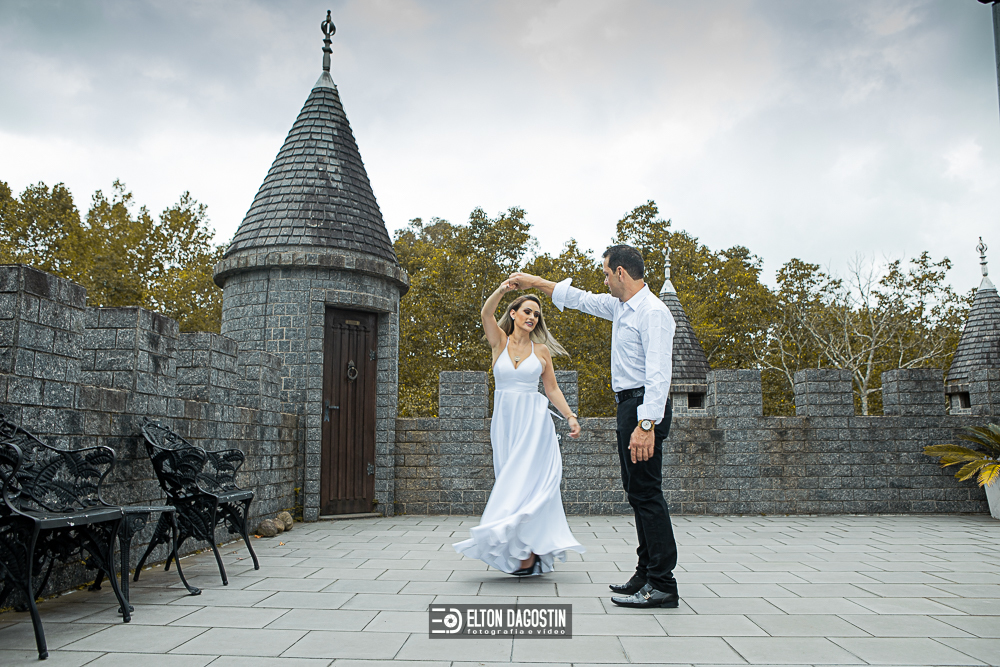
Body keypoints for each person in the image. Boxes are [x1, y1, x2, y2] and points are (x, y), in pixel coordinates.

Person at [509, 244, 680, 608]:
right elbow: (579, 299)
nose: (603, 281)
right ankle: (645, 573)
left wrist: (646, 424)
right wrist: (533, 281)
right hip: (628, 406)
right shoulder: (620, 307)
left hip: (643, 407)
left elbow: (659, 374)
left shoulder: (653, 312)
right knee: (637, 493)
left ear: (620, 272)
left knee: (648, 494)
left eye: (605, 273)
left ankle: (663, 583)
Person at [452, 280, 586, 575]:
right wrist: (502, 290)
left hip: (534, 423)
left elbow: (552, 389)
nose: (532, 317)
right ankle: (524, 549)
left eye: (537, 314)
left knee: (528, 483)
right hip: (505, 423)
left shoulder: (541, 351)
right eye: (527, 311)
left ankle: (527, 552)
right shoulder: (499, 342)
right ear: (513, 313)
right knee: (510, 483)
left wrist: (570, 416)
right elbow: (486, 314)